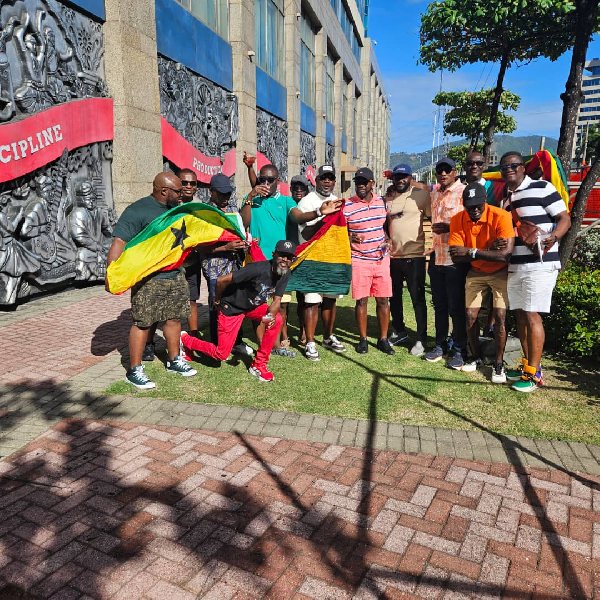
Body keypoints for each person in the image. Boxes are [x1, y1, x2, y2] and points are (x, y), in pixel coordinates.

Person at [106, 172, 197, 389]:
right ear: (164, 191)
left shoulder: (178, 209)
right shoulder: (137, 210)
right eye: (178, 190)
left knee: (174, 319)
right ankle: (134, 370)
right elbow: (119, 242)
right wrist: (111, 273)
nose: (182, 193)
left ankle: (174, 360)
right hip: (148, 279)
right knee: (143, 323)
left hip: (175, 275)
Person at [500, 152, 571, 392]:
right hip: (516, 265)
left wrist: (554, 237)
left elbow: (565, 218)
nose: (509, 169)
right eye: (504, 167)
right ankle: (528, 365)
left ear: (523, 167)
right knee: (520, 315)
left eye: (514, 165)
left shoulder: (542, 187)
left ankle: (534, 375)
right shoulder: (507, 198)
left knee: (532, 315)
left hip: (540, 264)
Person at [180, 240, 297, 383]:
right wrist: (217, 300)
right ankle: (185, 339)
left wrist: (269, 318)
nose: (285, 260)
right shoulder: (256, 269)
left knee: (276, 319)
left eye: (289, 257)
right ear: (274, 254)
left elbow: (277, 300)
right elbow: (221, 280)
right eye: (281, 255)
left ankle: (259, 364)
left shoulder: (285, 272)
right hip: (232, 308)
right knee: (221, 354)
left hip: (252, 308)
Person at [448, 183, 515, 382]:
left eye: (478, 205)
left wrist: (472, 251)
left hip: (500, 271)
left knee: (500, 316)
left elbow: (504, 255)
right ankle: (476, 356)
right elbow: (456, 256)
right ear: (464, 204)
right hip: (476, 272)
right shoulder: (457, 219)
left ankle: (499, 364)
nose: (474, 210)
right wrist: (489, 249)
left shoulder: (501, 216)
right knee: (470, 315)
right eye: (470, 206)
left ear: (485, 200)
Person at [290, 165, 345, 361]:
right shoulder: (307, 201)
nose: (327, 181)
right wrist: (322, 215)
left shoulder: (337, 201)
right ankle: (310, 342)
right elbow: (305, 233)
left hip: (332, 259)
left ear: (334, 181)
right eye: (323, 178)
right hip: (312, 259)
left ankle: (328, 337)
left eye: (330, 178)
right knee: (312, 301)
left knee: (330, 299)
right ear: (317, 180)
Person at [199, 173, 253, 357]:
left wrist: (245, 243)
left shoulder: (232, 208)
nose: (225, 197)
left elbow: (242, 228)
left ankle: (237, 341)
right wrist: (226, 247)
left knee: (236, 302)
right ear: (211, 191)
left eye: (228, 193)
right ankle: (217, 343)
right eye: (222, 194)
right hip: (215, 268)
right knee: (217, 304)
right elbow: (199, 246)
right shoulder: (204, 212)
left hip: (234, 264)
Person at [343, 167, 394, 355]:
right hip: (359, 259)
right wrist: (349, 238)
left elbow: (386, 225)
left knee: (383, 300)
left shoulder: (382, 202)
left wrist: (389, 238)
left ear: (372, 183)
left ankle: (383, 339)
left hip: (381, 259)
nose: (360, 185)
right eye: (358, 182)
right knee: (361, 301)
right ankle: (363, 339)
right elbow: (340, 232)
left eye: (364, 182)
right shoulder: (347, 206)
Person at [425, 157, 468, 369]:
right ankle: (440, 345)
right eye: (439, 170)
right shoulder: (435, 193)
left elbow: (472, 221)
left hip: (455, 258)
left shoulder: (464, 192)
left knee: (456, 307)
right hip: (437, 256)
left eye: (447, 170)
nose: (443, 173)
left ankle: (459, 350)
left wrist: (450, 227)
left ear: (455, 172)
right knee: (440, 305)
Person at [386, 164, 431, 357]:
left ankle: (421, 338)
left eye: (404, 176)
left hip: (415, 257)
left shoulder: (421, 196)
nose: (400, 180)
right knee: (394, 297)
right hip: (393, 257)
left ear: (411, 178)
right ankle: (399, 331)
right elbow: (386, 223)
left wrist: (434, 245)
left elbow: (434, 219)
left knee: (417, 298)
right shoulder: (388, 197)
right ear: (393, 179)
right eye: (397, 177)